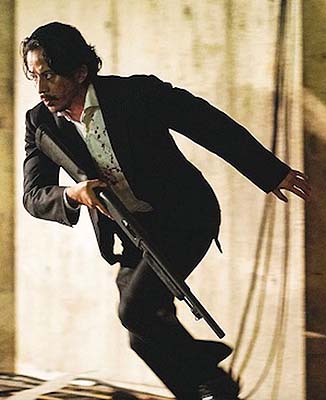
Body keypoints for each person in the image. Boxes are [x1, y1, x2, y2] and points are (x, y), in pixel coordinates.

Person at [21, 21, 310, 400]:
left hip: (185, 217)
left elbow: (207, 123)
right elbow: (34, 195)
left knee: (135, 311)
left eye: (50, 75)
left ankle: (216, 381)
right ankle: (201, 391)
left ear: (80, 72)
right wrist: (72, 194)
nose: (41, 88)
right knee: (141, 336)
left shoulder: (136, 94)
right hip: (133, 232)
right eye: (34, 76)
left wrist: (270, 171)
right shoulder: (40, 123)